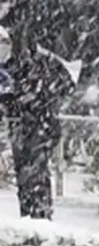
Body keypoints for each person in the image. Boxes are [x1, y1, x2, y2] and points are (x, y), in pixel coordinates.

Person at [0, 27, 75, 219]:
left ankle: (39, 215)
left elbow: (65, 85)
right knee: (26, 173)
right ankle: (30, 215)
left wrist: (37, 97)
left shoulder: (38, 63)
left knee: (35, 172)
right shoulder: (14, 66)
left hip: (38, 124)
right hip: (24, 124)